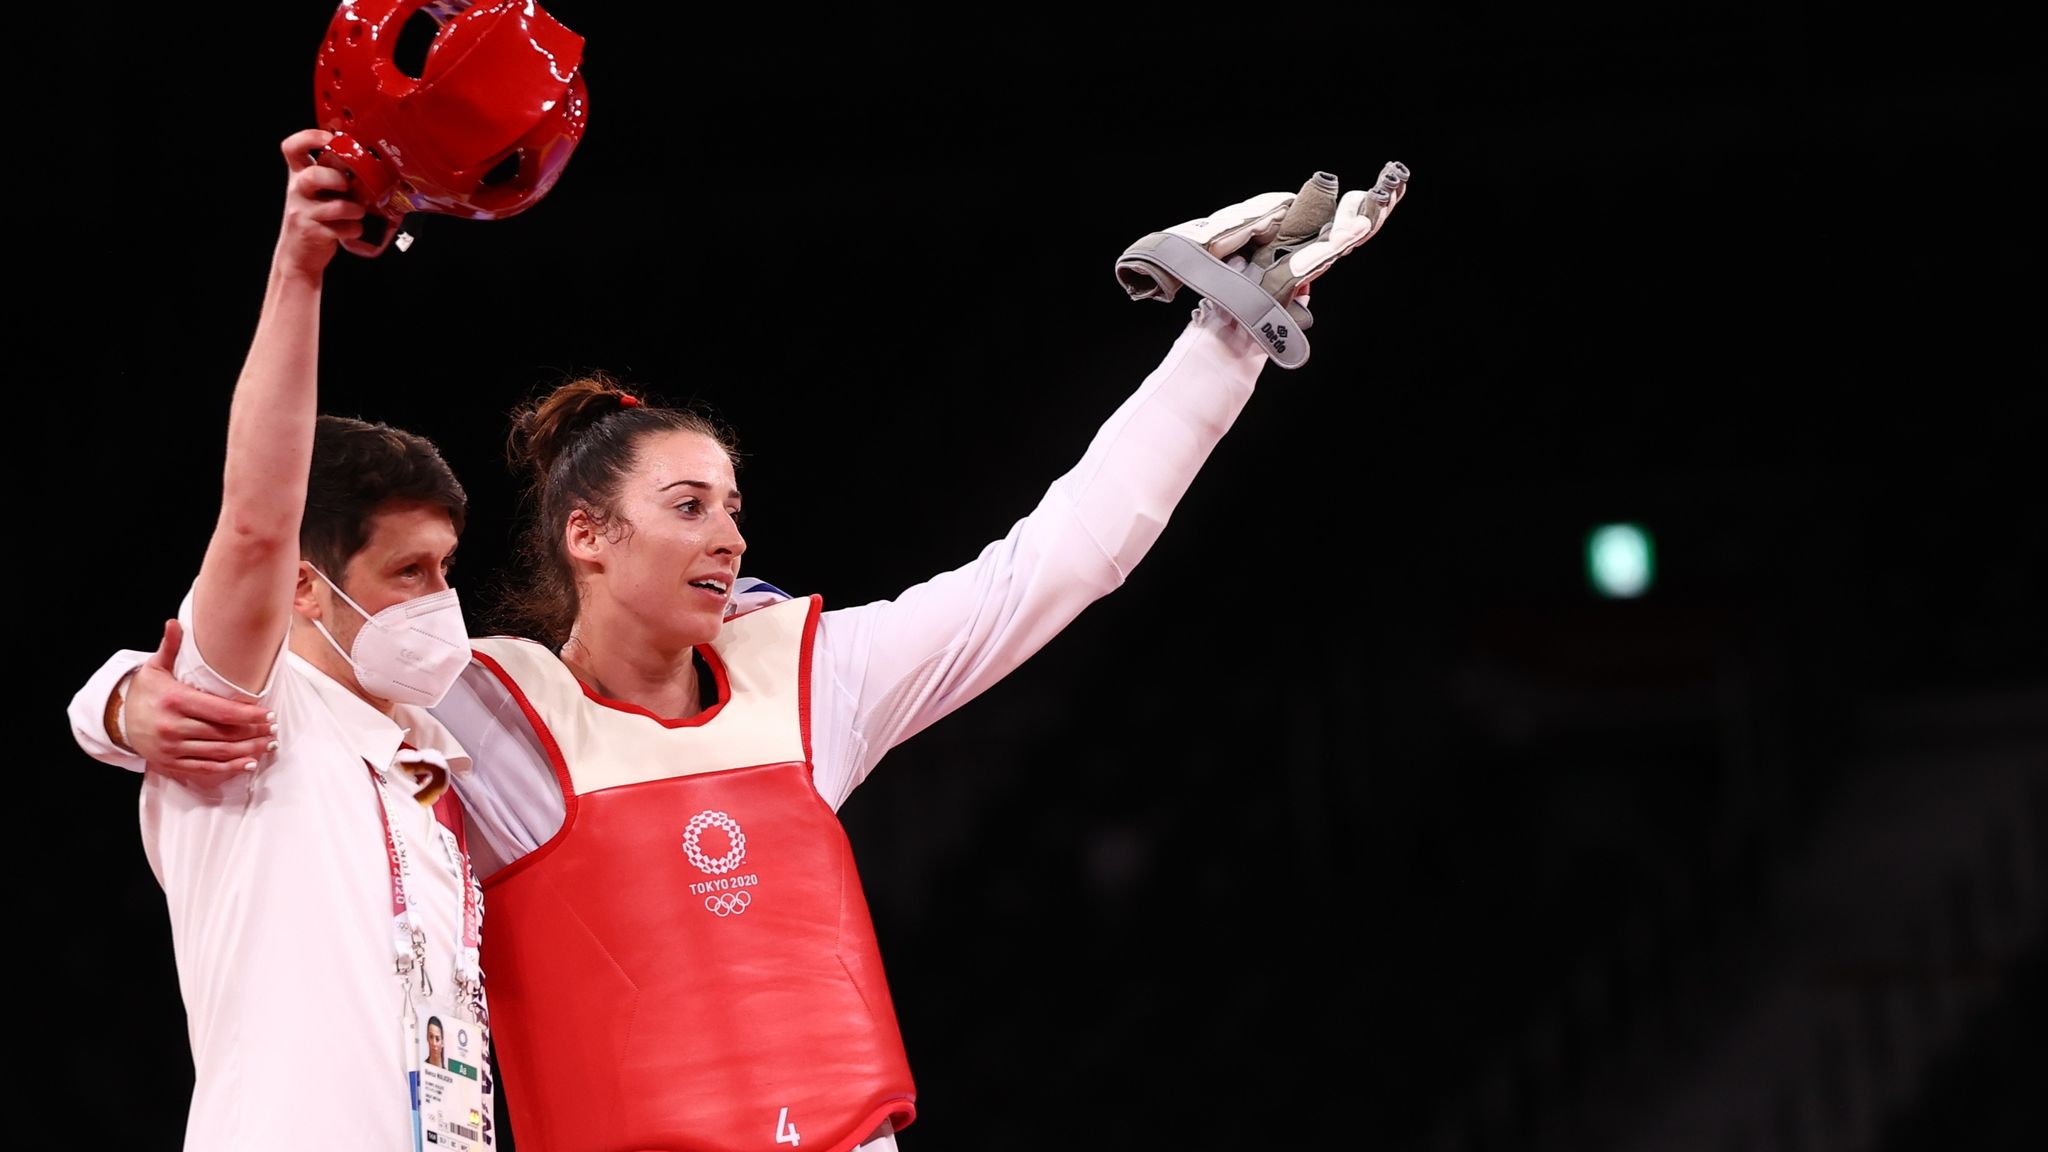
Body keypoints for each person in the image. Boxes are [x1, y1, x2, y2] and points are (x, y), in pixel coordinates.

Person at [73, 162, 1410, 1152]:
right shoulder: (479, 710)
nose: (729, 535)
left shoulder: (811, 682)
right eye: (689, 507)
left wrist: (1226, 339)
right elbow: (268, 649)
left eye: (734, 506)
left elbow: (1063, 558)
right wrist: (121, 702)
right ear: (586, 537)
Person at [70, 126, 493, 1151]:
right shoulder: (245, 706)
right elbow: (258, 513)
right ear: (306, 590)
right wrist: (299, 264)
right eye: (406, 574)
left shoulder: (437, 769)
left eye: (445, 570)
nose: (439, 601)